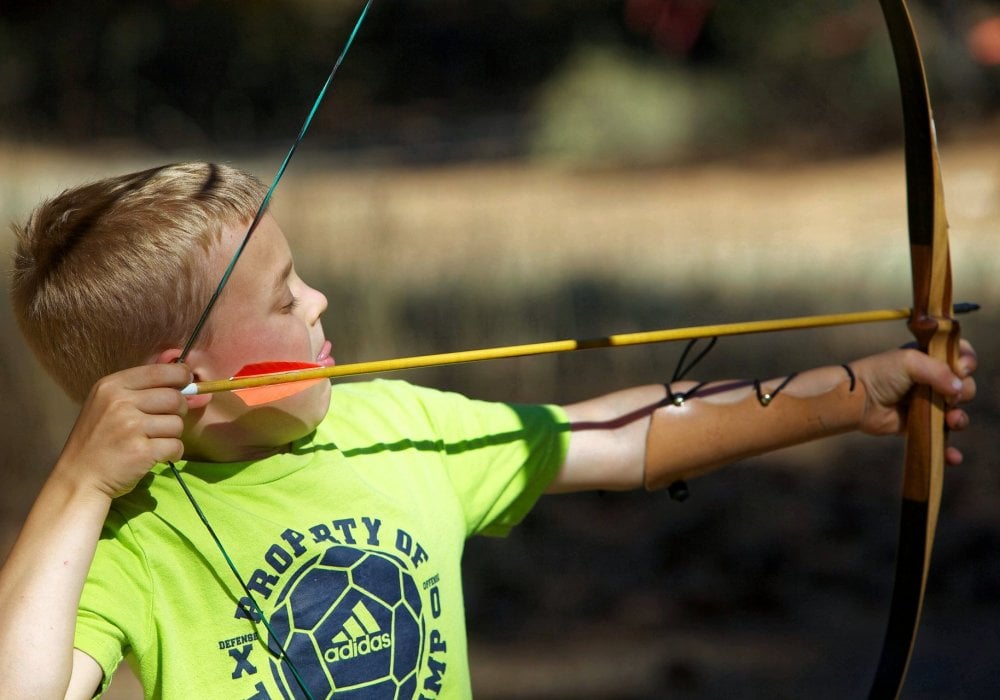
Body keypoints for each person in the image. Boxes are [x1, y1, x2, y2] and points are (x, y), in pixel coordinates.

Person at [0, 162, 976, 699]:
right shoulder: (128, 537)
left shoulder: (395, 427)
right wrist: (78, 484)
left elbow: (616, 435)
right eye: (284, 296)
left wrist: (847, 391)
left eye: (301, 277)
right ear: (188, 379)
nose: (320, 298)